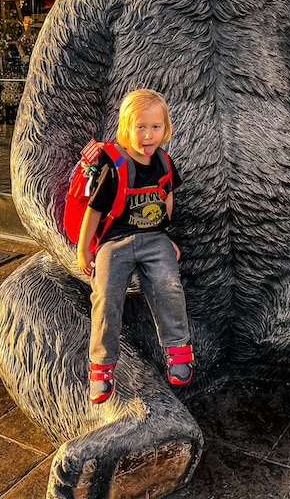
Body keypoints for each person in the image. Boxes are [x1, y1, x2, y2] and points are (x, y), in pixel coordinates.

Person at [77, 88, 194, 403]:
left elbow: (166, 197)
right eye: (141, 127)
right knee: (105, 294)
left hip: (154, 240)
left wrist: (166, 235)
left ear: (164, 128)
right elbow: (95, 210)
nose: (148, 134)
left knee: (169, 285)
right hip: (116, 242)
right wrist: (84, 248)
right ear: (127, 129)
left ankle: (178, 349)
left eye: (155, 127)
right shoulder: (115, 167)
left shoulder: (164, 162)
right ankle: (101, 366)